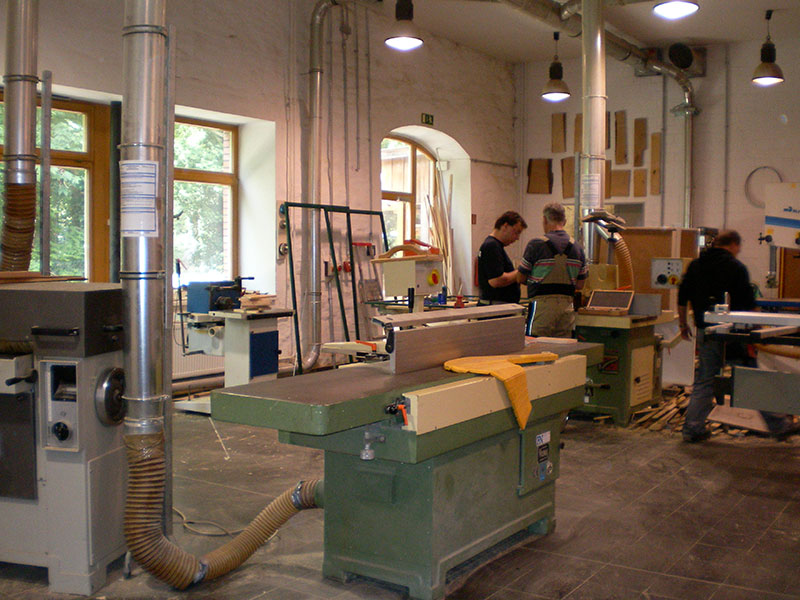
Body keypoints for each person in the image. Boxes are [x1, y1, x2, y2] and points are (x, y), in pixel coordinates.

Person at [678, 230, 798, 442]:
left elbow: (682, 297)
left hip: (707, 332)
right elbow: (749, 303)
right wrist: (760, 330)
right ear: (733, 244)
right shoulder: (736, 267)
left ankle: (692, 427)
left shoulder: (695, 265)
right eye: (738, 247)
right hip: (735, 335)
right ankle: (778, 425)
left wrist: (682, 324)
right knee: (752, 378)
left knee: (705, 380)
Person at [517, 203, 587, 337]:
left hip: (542, 306)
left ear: (544, 220)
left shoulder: (536, 245)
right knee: (563, 347)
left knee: (535, 344)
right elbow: (580, 284)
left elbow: (520, 278)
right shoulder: (578, 248)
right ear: (564, 221)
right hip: (567, 307)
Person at [476, 211, 527, 304]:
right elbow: (496, 280)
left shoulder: (495, 246)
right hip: (495, 307)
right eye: (516, 232)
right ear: (505, 226)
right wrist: (521, 271)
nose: (517, 238)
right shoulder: (491, 246)